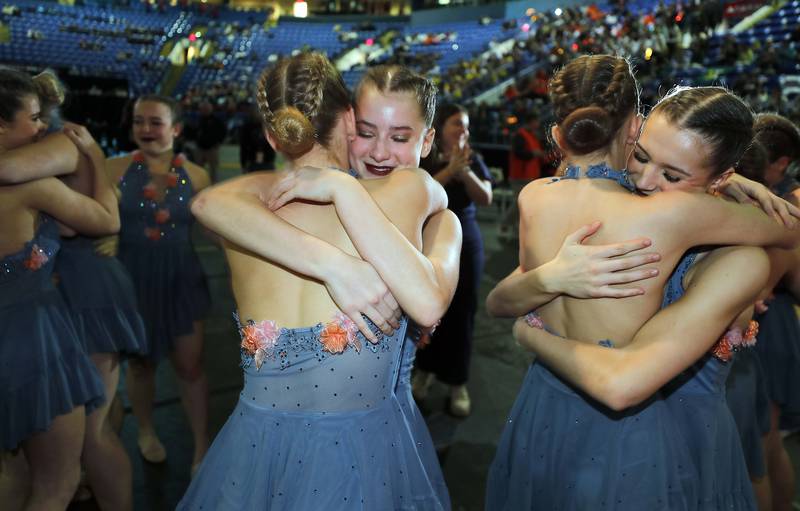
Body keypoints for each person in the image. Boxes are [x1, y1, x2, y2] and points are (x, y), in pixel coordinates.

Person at [484, 56, 798, 510]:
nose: (649, 181)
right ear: (635, 130)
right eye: (644, 158)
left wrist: (529, 331)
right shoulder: (664, 210)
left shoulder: (539, 196)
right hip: (631, 438)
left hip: (575, 416)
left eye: (672, 175)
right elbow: (502, 298)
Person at [180, 53, 457, 509]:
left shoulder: (246, 209)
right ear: (349, 119)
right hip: (367, 448)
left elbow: (206, 203)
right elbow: (437, 197)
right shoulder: (408, 190)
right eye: (369, 132)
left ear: (271, 134)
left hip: (256, 449)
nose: (381, 150)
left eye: (398, 136)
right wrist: (337, 264)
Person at [0, 66, 119, 510]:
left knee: (12, 474)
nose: (41, 128)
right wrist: (98, 161)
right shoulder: (34, 188)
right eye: (32, 118)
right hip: (34, 342)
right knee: (57, 482)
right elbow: (107, 221)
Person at [107, 95, 212, 473]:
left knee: (191, 365)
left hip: (182, 278)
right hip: (133, 278)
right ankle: (146, 430)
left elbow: (211, 233)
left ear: (176, 129)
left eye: (155, 122)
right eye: (139, 122)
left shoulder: (198, 176)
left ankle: (202, 448)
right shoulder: (114, 169)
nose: (146, 130)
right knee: (141, 366)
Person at [413, 103, 493, 417]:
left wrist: (465, 170)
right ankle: (425, 371)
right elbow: (421, 195)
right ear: (439, 127)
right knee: (428, 311)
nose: (464, 131)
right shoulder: (425, 159)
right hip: (431, 240)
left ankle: (458, 382)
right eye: (457, 124)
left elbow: (485, 197)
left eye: (467, 125)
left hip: (466, 243)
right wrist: (449, 170)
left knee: (463, 313)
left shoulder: (474, 160)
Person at [751, 112, 800, 511]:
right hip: (761, 324)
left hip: (771, 326)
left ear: (781, 164)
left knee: (761, 449)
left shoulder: (793, 204)